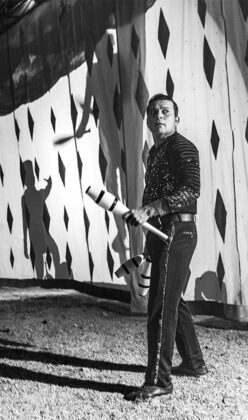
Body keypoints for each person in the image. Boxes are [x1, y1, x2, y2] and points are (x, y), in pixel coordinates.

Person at [123, 94, 207, 401]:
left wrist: (149, 210)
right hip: (161, 232)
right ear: (147, 120)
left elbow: (191, 190)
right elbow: (152, 199)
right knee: (172, 297)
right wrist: (148, 237)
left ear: (176, 119)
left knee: (159, 303)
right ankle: (194, 362)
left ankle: (159, 380)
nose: (159, 115)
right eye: (154, 111)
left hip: (178, 230)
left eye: (166, 111)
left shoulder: (182, 146)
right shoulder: (156, 153)